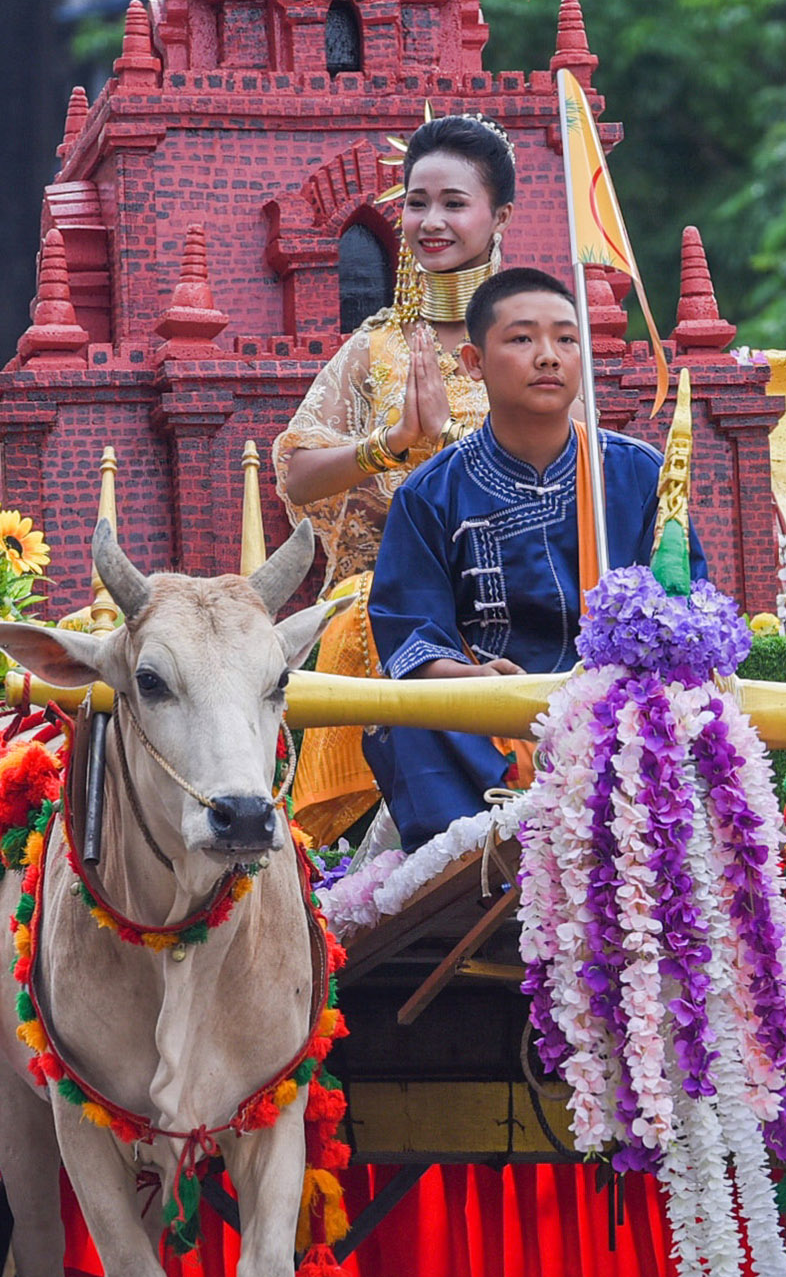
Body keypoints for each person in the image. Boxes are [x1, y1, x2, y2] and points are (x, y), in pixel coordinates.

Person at [274, 114, 513, 844]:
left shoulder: (527, 338)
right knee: (380, 623)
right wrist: (391, 445)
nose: (429, 221)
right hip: (389, 598)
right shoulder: (374, 350)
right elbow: (295, 475)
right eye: (415, 202)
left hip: (521, 582)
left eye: (452, 202)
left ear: (498, 216)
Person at [365, 265, 661, 851]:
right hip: (489, 716)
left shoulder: (638, 473)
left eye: (566, 339)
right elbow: (410, 633)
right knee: (407, 712)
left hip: (618, 706)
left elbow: (682, 601)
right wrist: (470, 681)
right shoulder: (431, 493)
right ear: (474, 362)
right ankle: (480, 854)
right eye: (523, 339)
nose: (548, 356)